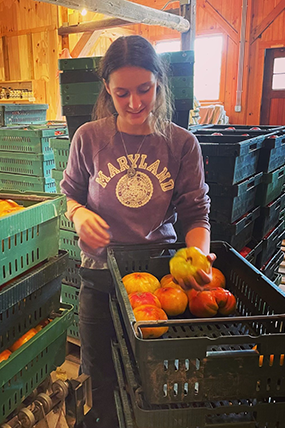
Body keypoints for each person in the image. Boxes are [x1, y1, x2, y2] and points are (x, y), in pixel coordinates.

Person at [60, 35, 214, 428]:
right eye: (121, 92)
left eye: (144, 89)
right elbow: (71, 196)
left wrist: (200, 258)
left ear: (159, 83)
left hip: (159, 277)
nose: (134, 103)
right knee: (102, 377)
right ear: (107, 90)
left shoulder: (182, 144)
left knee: (154, 379)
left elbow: (196, 215)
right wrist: (78, 216)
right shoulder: (89, 138)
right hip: (99, 276)